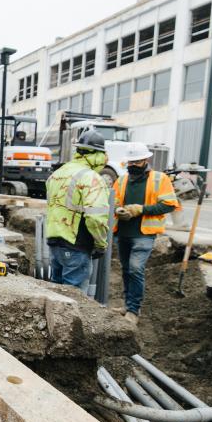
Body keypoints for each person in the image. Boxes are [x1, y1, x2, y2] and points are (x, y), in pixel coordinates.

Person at [112, 143, 180, 326]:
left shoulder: (160, 179)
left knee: (135, 268)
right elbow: (114, 201)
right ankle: (128, 306)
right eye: (130, 162)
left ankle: (134, 310)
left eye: (137, 161)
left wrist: (141, 209)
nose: (133, 165)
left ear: (146, 160)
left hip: (144, 234)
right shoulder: (122, 180)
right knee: (126, 270)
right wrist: (119, 210)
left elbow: (169, 204)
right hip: (123, 232)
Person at [44, 130, 111, 292]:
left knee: (56, 295)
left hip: (55, 242)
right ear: (97, 155)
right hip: (77, 245)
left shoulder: (57, 174)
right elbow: (96, 218)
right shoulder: (91, 178)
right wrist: (101, 243)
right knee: (73, 301)